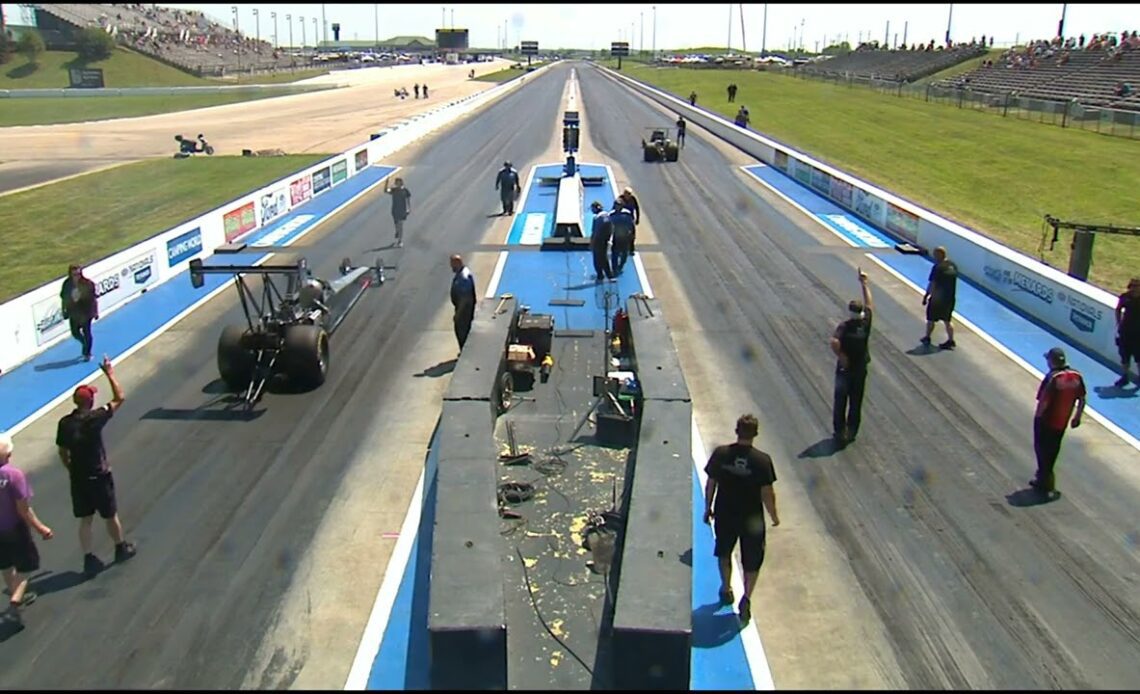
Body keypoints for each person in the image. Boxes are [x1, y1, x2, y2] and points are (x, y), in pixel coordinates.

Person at [56, 356, 136, 579]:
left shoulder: (64, 423)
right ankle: (121, 547)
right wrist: (110, 374)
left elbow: (62, 452)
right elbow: (120, 397)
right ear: (89, 402)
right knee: (110, 514)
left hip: (79, 478)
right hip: (99, 475)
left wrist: (70, 468)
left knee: (85, 519)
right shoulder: (95, 418)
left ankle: (88, 558)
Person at [702, 414, 779, 625]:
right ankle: (746, 597)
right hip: (752, 519)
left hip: (726, 513)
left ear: (737, 431)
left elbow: (711, 483)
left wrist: (707, 507)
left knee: (724, 552)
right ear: (755, 434)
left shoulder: (721, 454)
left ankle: (726, 588)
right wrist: (774, 516)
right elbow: (767, 493)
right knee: (752, 560)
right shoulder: (763, 461)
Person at [0, 432, 53, 624]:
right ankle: (14, 604)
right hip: (14, 529)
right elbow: (23, 509)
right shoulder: (13, 475)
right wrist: (41, 528)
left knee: (5, 565)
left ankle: (16, 595)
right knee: (26, 567)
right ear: (9, 454)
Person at [1032, 347, 1086, 497]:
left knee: (1041, 449)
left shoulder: (1053, 378)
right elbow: (1082, 399)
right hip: (1062, 421)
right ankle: (1044, 476)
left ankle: (1045, 479)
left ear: (1051, 361)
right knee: (1054, 449)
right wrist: (1077, 417)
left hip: (1046, 420)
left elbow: (1043, 400)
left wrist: (1038, 417)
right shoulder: (1076, 376)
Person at [830, 267, 874, 446]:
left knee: (841, 400)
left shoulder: (844, 326)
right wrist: (864, 284)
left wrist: (841, 356)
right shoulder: (865, 323)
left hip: (845, 369)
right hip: (860, 368)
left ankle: (839, 430)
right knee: (856, 401)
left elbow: (833, 341)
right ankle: (852, 430)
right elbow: (870, 304)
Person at [921, 246, 959, 350]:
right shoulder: (953, 266)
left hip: (937, 299)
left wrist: (926, 296)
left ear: (939, 255)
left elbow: (932, 283)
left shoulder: (937, 267)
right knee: (947, 320)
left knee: (931, 319)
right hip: (950, 298)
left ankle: (927, 337)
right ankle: (951, 340)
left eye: (935, 254)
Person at [60, 264, 99, 362]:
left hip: (86, 312)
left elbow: (93, 299)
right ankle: (84, 344)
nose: (76, 276)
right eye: (74, 274)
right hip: (74, 312)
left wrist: (95, 312)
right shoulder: (67, 284)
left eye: (78, 274)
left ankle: (87, 353)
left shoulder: (88, 284)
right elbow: (63, 298)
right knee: (75, 332)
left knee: (87, 333)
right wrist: (64, 310)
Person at [1113, 277, 1140, 387]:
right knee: (1124, 358)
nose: (1134, 289)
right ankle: (1125, 377)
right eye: (1132, 286)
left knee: (1139, 358)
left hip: (1138, 334)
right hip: (1125, 332)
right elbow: (1118, 309)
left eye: (1136, 286)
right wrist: (1119, 323)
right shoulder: (1125, 297)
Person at [449, 255, 477, 352]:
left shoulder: (463, 278)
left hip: (464, 311)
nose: (451, 266)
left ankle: (465, 352)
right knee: (462, 331)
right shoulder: (462, 273)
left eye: (452, 264)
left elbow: (465, 299)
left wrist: (458, 314)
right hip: (464, 309)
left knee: (462, 332)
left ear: (457, 263)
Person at [383, 176, 411, 248]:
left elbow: (408, 200)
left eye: (397, 183)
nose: (396, 184)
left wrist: (408, 208)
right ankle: (397, 231)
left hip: (402, 210)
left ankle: (400, 241)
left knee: (400, 225)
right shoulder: (394, 190)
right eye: (396, 183)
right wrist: (386, 183)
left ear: (401, 183)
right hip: (395, 210)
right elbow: (386, 191)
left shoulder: (405, 191)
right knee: (396, 223)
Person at [589, 201, 613, 282]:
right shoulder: (608, 216)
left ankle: (600, 275)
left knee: (597, 259)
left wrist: (592, 243)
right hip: (605, 241)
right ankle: (609, 275)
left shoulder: (597, 218)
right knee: (604, 258)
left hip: (598, 241)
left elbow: (595, 232)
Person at [609, 201, 635, 276]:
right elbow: (609, 225)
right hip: (616, 237)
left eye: (619, 205)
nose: (618, 207)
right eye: (616, 205)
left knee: (624, 254)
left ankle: (620, 266)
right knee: (615, 254)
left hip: (625, 237)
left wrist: (632, 234)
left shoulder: (627, 213)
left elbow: (632, 224)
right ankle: (614, 269)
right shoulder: (611, 214)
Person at [618, 187, 641, 254]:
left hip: (630, 219)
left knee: (632, 235)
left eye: (629, 194)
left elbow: (637, 208)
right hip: (622, 220)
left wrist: (637, 218)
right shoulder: (620, 199)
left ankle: (631, 249)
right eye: (627, 194)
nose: (628, 195)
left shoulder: (633, 199)